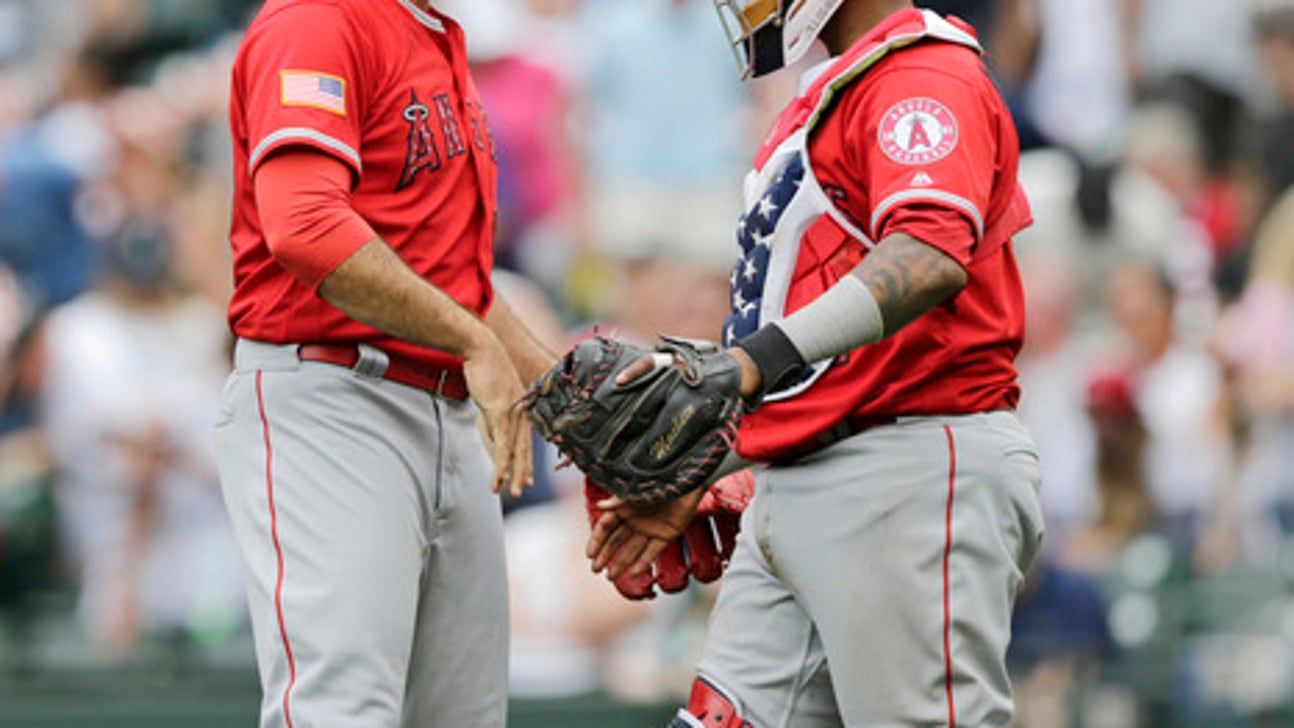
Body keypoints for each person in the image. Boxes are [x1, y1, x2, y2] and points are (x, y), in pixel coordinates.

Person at [587, 1, 1045, 726]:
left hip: (908, 467)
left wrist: (743, 367)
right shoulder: (835, 87)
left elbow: (927, 255)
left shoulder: (921, 70)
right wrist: (719, 456)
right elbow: (811, 339)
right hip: (810, 474)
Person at [216, 1, 555, 726]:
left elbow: (448, 284)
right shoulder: (319, 16)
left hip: (449, 416)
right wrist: (473, 344)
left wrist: (575, 399)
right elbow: (303, 224)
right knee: (341, 712)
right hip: (335, 397)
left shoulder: (431, 31)